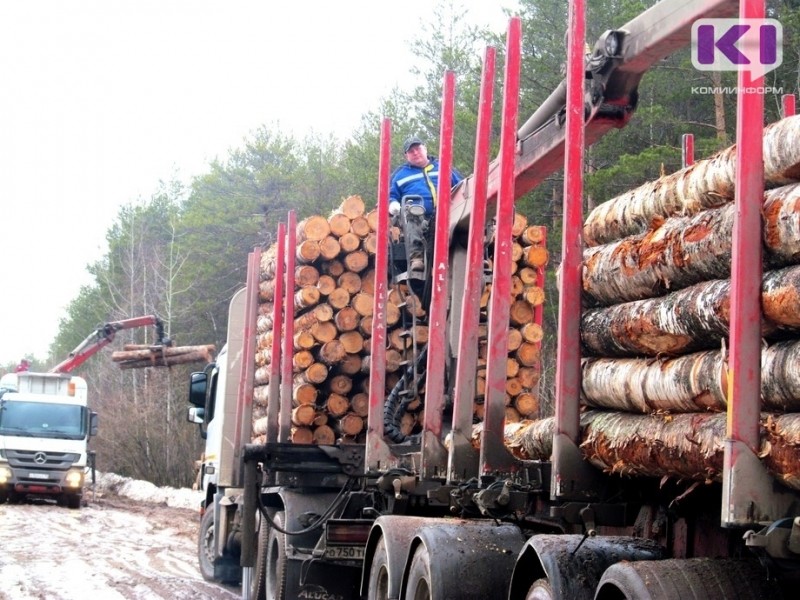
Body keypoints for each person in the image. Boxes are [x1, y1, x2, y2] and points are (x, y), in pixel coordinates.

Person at [389, 135, 463, 271]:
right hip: (419, 219)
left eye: (418, 148)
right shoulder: (400, 175)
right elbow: (390, 195)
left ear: (425, 149)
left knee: (468, 216)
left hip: (448, 215)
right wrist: (393, 205)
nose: (415, 153)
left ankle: (477, 254)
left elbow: (462, 187)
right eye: (411, 151)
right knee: (413, 210)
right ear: (406, 156)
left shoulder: (444, 168)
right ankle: (416, 257)